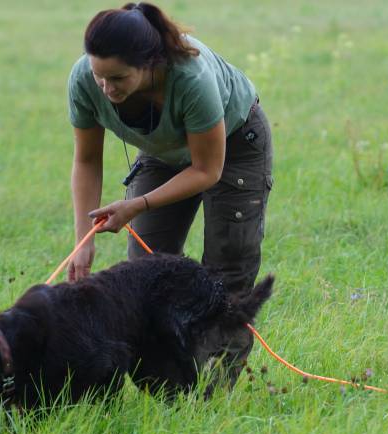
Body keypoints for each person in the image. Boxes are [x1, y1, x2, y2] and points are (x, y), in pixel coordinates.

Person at [66, 2, 273, 295]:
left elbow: (206, 169)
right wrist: (83, 243)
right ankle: (163, 343)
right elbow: (87, 160)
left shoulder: (191, 78)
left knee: (227, 272)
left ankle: (220, 343)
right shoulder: (83, 80)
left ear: (149, 63)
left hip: (235, 144)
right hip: (163, 152)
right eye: (99, 75)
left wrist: (137, 204)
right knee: (147, 271)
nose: (106, 89)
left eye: (118, 78)